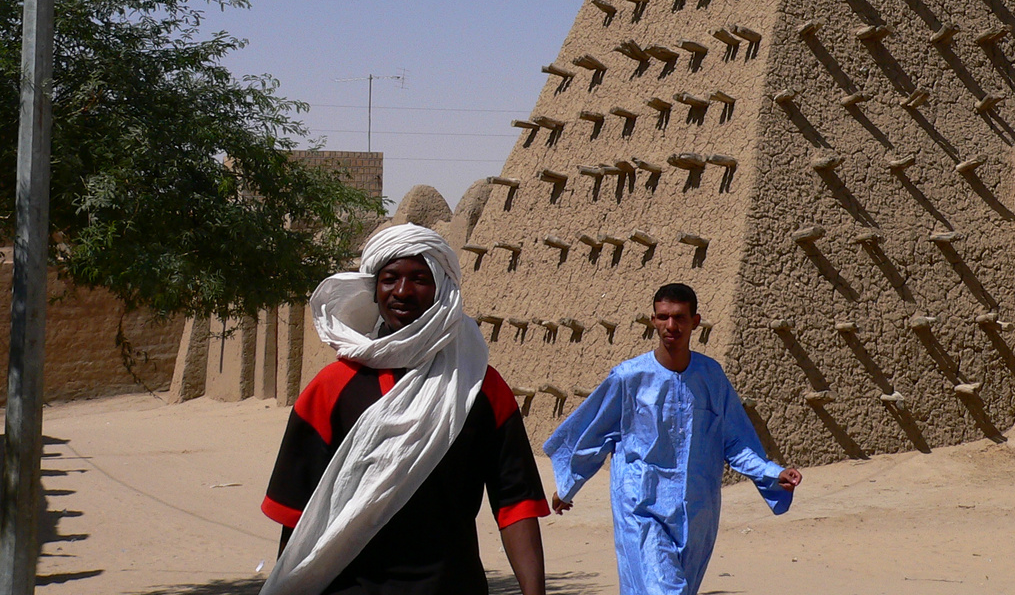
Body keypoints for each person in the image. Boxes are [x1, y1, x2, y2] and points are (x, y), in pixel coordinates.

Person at [259, 223, 549, 595]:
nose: (402, 292)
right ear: (374, 290)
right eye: (390, 278)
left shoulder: (478, 386)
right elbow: (299, 516)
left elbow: (516, 503)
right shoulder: (331, 388)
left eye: (420, 279)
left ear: (442, 289)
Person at [544, 282, 801, 595]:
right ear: (653, 320)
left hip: (697, 514)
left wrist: (773, 473)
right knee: (667, 591)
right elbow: (592, 435)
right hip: (641, 509)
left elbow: (735, 442)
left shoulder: (711, 377)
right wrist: (568, 486)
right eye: (663, 317)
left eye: (679, 317)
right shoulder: (628, 378)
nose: (671, 325)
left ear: (695, 321)